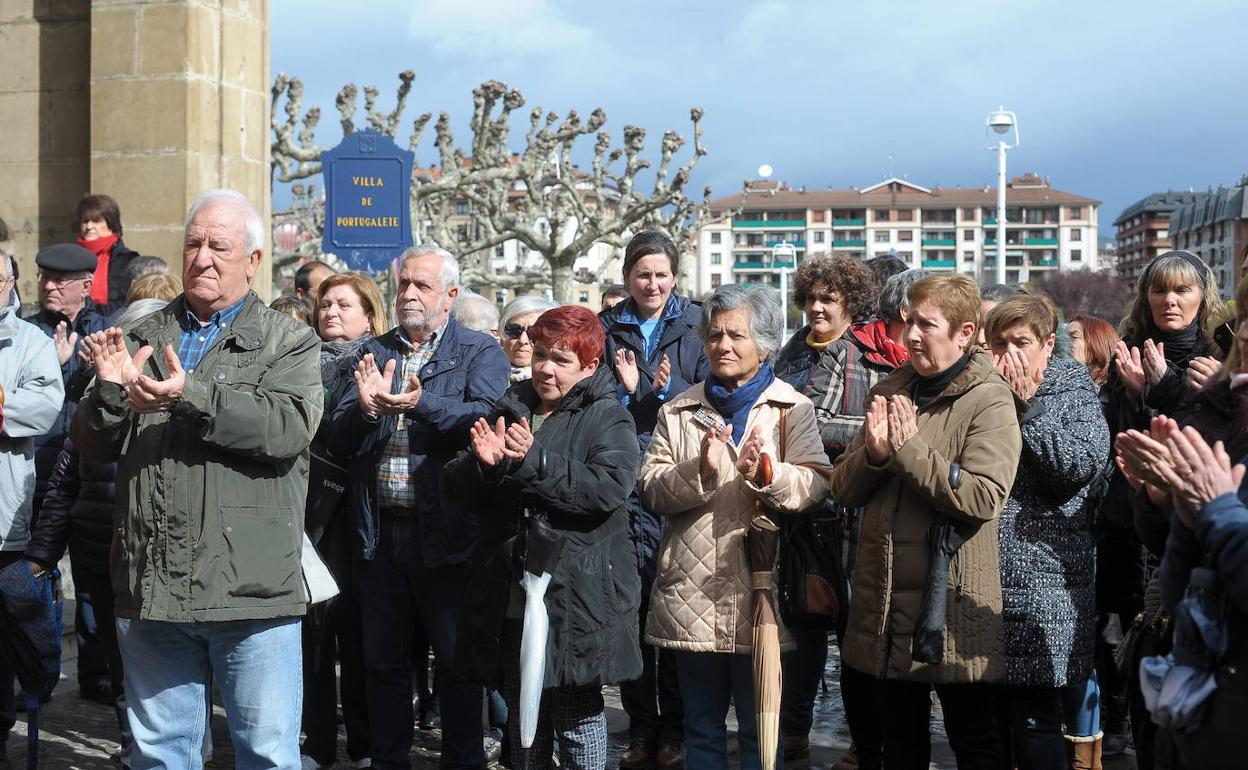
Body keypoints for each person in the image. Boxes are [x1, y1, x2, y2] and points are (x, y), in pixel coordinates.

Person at [72, 188, 323, 768]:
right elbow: (90, 443)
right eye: (193, 244)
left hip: (249, 590)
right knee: (161, 755)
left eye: (219, 246)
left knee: (264, 753)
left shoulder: (290, 341)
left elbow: (286, 428)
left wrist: (191, 394)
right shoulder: (143, 333)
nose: (202, 257)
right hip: (152, 582)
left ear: (255, 261)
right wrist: (110, 391)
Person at [830, 274, 1025, 769]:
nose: (911, 335)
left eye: (927, 324)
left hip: (952, 600)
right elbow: (842, 491)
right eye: (908, 322)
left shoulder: (989, 399)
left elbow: (983, 496)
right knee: (900, 743)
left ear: (964, 333)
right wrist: (872, 457)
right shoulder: (892, 387)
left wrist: (910, 450)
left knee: (974, 739)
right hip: (887, 599)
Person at [329, 244, 509, 770]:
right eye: (404, 283)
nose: (408, 293)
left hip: (450, 534)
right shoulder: (373, 351)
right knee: (382, 663)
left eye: (422, 286)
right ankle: (389, 761)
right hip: (380, 535)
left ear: (450, 296)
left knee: (456, 664)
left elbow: (485, 414)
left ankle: (461, 760)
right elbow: (336, 437)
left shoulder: (478, 351)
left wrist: (420, 404)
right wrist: (363, 411)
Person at [639, 283, 830, 770]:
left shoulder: (793, 408)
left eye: (737, 336)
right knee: (700, 730)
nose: (723, 346)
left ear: (764, 343)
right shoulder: (678, 409)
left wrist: (768, 474)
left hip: (765, 595)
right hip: (691, 594)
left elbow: (814, 486)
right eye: (715, 335)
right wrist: (699, 472)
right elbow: (651, 489)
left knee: (761, 732)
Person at [447, 305, 643, 770]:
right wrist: (483, 466)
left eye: (561, 359)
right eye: (539, 355)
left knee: (577, 719)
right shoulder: (511, 404)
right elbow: (459, 488)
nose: (545, 369)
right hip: (513, 590)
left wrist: (534, 462)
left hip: (578, 593)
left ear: (590, 366)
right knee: (523, 718)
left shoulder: (607, 416)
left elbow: (606, 488)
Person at [1096, 250, 1229, 761]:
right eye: (1159, 290)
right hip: (1127, 518)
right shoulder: (1126, 351)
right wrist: (1133, 394)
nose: (1169, 300)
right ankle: (1122, 729)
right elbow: (1112, 439)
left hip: (1189, 524)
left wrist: (1174, 391)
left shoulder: (1216, 356)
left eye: (1182, 290)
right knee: (1123, 637)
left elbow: (1210, 439)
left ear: (1202, 296)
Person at [23, 297, 166, 767]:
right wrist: (43, 553)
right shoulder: (96, 398)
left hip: (164, 559)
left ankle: (181, 745)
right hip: (102, 554)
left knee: (170, 665)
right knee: (121, 661)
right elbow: (65, 481)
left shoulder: (179, 399)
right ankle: (135, 749)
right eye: (133, 344)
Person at [772, 254, 894, 768]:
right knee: (798, 629)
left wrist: (802, 433)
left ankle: (865, 743)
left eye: (830, 299)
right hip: (791, 510)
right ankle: (794, 730)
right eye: (812, 298)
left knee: (853, 633)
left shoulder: (863, 357)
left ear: (851, 306)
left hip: (845, 512)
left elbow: (872, 429)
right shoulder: (791, 350)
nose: (818, 308)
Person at [983, 294, 1111, 769]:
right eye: (1000, 342)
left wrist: (1027, 407)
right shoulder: (980, 387)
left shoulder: (1070, 388)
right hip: (985, 575)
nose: (1010, 354)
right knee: (991, 718)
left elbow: (1075, 466)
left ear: (1048, 344)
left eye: (1022, 342)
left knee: (1036, 716)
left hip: (1046, 579)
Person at [603, 230, 709, 770]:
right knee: (633, 608)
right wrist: (624, 392)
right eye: (642, 274)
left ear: (675, 277)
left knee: (677, 608)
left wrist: (664, 392)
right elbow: (592, 393)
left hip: (679, 476)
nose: (652, 283)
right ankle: (640, 725)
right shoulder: (608, 327)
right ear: (627, 278)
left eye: (661, 274)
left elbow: (713, 391)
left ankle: (677, 730)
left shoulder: (696, 323)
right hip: (623, 478)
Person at [299, 271, 387, 770]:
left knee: (357, 636)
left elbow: (345, 433)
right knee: (312, 634)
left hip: (360, 516)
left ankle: (364, 744)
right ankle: (316, 745)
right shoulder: (297, 360)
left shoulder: (380, 362)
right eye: (326, 305)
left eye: (344, 305)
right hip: (309, 514)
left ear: (369, 316)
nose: (331, 312)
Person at [24, 242, 113, 704]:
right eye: (44, 278)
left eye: (60, 280)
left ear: (85, 284)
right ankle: (35, 675)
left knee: (92, 577)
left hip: (82, 471)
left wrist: (87, 371)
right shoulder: (24, 333)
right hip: (33, 471)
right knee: (33, 578)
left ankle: (95, 671)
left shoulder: (108, 329)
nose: (50, 286)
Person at [0, 251, 63, 766]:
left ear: (11, 284)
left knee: (6, 633)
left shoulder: (31, 342)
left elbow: (45, 406)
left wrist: (1, 409)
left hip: (4, 517)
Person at [75, 194, 138, 314]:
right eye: (85, 221)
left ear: (111, 225)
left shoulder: (128, 261)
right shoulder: (70, 259)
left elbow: (127, 305)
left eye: (96, 221)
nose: (89, 226)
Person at [499, 295, 557, 382]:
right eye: (514, 330)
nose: (523, 340)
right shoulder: (482, 372)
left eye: (533, 333)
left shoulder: (560, 381)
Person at [1068, 314, 1119, 391]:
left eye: (1074, 337)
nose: (1064, 343)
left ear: (1097, 344)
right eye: (1063, 337)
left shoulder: (1110, 392)